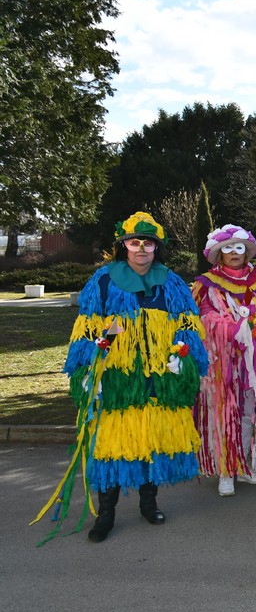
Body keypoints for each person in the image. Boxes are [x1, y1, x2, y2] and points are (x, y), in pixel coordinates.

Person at [34, 211, 208, 544]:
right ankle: (106, 515)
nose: (141, 249)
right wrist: (89, 368)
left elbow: (188, 323)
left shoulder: (171, 281)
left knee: (151, 442)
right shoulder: (103, 280)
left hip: (158, 379)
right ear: (123, 245)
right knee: (112, 446)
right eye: (134, 242)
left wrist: (181, 353)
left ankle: (149, 504)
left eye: (148, 243)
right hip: (117, 379)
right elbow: (86, 327)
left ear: (157, 248)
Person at [193, 224, 256, 497]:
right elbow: (204, 317)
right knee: (224, 412)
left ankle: (243, 464)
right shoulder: (207, 283)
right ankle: (225, 471)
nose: (233, 253)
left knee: (249, 412)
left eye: (238, 248)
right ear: (219, 253)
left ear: (247, 251)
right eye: (227, 249)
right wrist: (233, 329)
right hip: (222, 361)